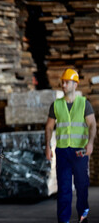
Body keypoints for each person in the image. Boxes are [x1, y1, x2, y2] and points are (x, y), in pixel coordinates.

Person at [45, 68, 96, 223]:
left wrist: (91, 142)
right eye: (63, 82)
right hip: (62, 152)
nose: (64, 85)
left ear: (76, 84)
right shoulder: (56, 105)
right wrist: (47, 146)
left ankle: (83, 217)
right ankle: (63, 220)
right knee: (64, 189)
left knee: (82, 187)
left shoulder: (84, 104)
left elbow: (92, 124)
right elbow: (48, 127)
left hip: (80, 152)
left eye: (67, 82)